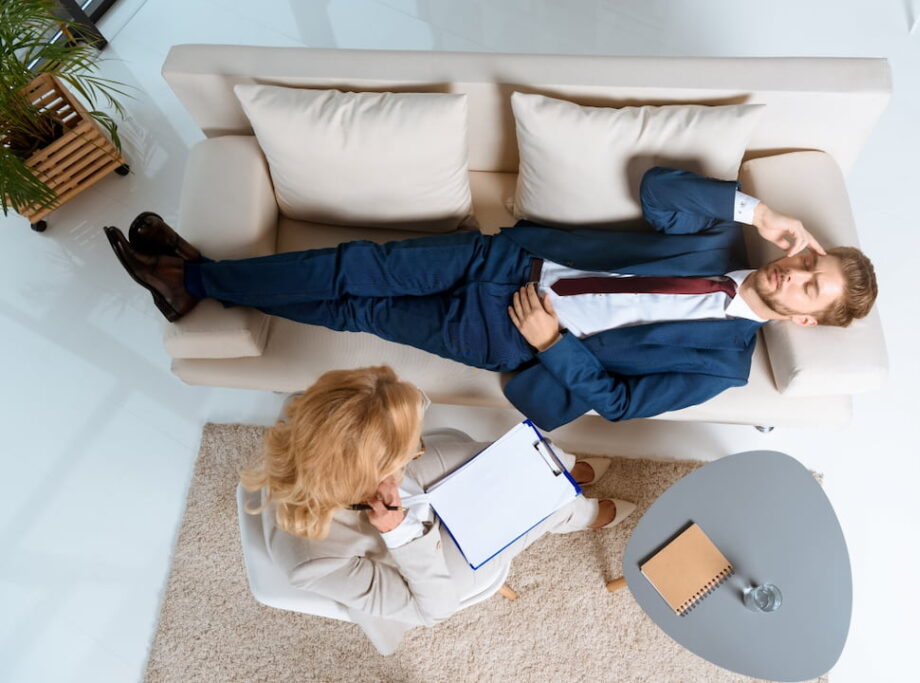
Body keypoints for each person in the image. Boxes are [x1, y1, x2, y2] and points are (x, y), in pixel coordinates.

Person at [106, 167, 878, 430]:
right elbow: (660, 189)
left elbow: (618, 402)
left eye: (810, 286)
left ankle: (192, 279)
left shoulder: (722, 364)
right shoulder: (717, 242)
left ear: (808, 318)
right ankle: (195, 278)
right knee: (356, 264)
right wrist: (759, 213)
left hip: (506, 331)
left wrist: (551, 344)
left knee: (357, 307)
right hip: (509, 257)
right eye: (808, 259)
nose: (793, 272)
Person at [240, 365, 634, 652]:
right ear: (371, 471)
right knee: (540, 504)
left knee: (532, 454)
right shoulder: (315, 561)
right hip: (407, 557)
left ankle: (563, 472)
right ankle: (576, 512)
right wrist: (402, 533)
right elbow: (433, 609)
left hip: (396, 488)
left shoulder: (311, 411)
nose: (418, 444)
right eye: (408, 447)